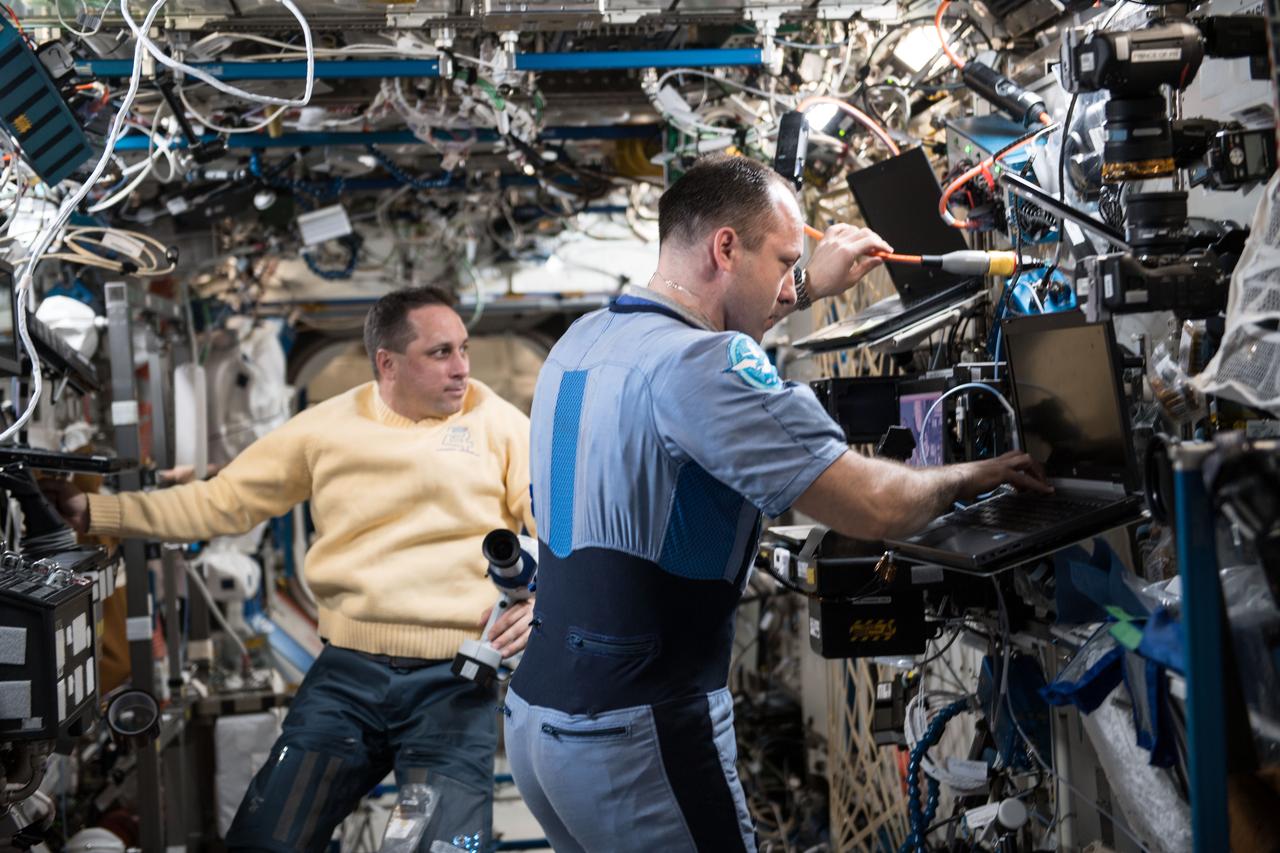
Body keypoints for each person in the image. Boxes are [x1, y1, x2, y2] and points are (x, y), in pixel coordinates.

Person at [502, 155, 1049, 852]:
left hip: (539, 724)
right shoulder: (706, 365)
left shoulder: (582, 340)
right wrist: (972, 476)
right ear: (726, 248)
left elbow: (696, 340)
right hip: (636, 732)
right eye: (786, 262)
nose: (791, 284)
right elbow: (875, 507)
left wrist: (810, 285)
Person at [47, 287, 536, 853]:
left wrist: (540, 604)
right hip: (348, 678)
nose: (462, 368)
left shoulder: (500, 425)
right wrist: (98, 511)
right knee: (267, 840)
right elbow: (222, 502)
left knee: (440, 847)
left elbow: (558, 533)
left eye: (464, 349)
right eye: (441, 352)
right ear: (388, 363)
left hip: (454, 682)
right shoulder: (325, 429)